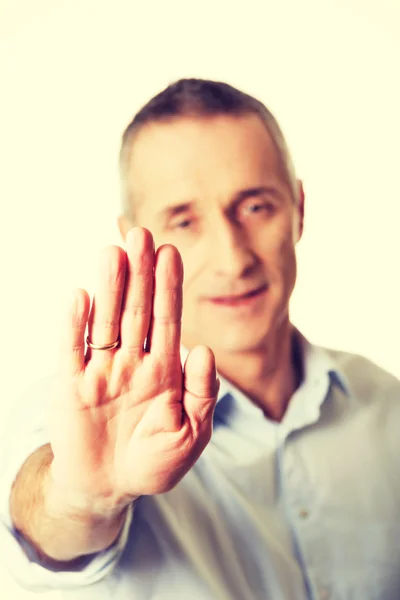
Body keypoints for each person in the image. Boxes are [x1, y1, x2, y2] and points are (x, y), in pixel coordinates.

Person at [1, 78, 399, 600]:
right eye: (184, 220)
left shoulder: (387, 404)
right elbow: (46, 522)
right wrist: (82, 500)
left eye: (256, 207)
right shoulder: (79, 421)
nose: (233, 259)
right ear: (134, 236)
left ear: (298, 208)